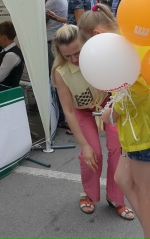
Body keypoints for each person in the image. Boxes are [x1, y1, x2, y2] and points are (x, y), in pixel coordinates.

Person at [77, 4, 150, 239]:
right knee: (122, 179)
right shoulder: (130, 36)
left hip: (145, 131)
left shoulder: (122, 47)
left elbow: (139, 89)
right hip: (144, 127)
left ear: (97, 35)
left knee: (147, 196)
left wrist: (113, 112)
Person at [51, 25, 133, 221]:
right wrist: (84, 145)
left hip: (109, 104)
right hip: (82, 111)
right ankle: (88, 194)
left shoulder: (98, 57)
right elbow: (69, 111)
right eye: (67, 55)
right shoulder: (60, 72)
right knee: (92, 152)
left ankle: (116, 197)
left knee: (118, 147)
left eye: (77, 53)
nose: (74, 59)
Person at [44, 0, 68, 70]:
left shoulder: (53, 0)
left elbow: (42, 20)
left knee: (53, 68)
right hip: (56, 36)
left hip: (52, 38)